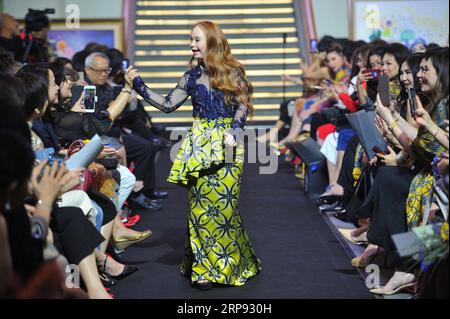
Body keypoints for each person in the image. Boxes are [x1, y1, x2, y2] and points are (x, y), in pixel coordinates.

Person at [128, 21, 261, 290]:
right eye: (191, 39)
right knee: (200, 208)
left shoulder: (233, 72)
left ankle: (234, 262)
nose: (191, 44)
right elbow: (167, 105)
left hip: (228, 146)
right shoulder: (189, 77)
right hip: (199, 146)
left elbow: (243, 105)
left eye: (197, 39)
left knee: (225, 208)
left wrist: (235, 129)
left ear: (211, 41)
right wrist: (137, 85)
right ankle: (202, 269)